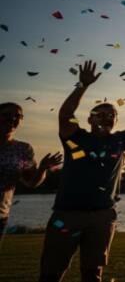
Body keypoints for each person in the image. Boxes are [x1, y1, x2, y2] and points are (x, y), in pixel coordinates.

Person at [39, 61, 125, 282]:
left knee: (93, 273)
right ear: (89, 119)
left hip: (102, 216)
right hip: (67, 214)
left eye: (111, 115)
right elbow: (65, 114)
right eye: (99, 114)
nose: (106, 118)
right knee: (51, 273)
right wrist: (82, 85)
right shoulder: (75, 137)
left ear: (116, 121)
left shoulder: (120, 141)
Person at [0, 102, 62, 245]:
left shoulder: (22, 150)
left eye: (17, 116)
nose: (12, 119)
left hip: (1, 214)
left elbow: (31, 182)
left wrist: (42, 168)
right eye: (6, 115)